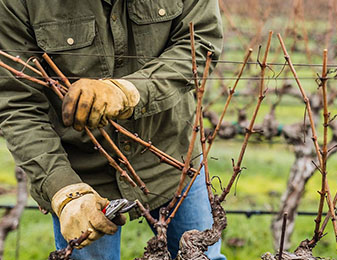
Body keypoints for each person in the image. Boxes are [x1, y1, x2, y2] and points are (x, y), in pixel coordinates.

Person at [0, 0, 225, 259]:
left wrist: (131, 91)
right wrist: (63, 189)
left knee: (201, 256)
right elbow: (18, 103)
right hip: (81, 173)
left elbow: (200, 43)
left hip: (173, 155)